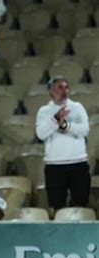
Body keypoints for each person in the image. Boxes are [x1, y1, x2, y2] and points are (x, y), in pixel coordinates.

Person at [35, 76, 90, 211]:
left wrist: (66, 125)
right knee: (57, 206)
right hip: (55, 166)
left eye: (66, 87)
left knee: (81, 204)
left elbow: (85, 130)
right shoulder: (44, 111)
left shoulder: (77, 107)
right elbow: (41, 134)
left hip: (78, 163)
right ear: (50, 91)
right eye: (60, 87)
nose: (64, 91)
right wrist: (55, 119)